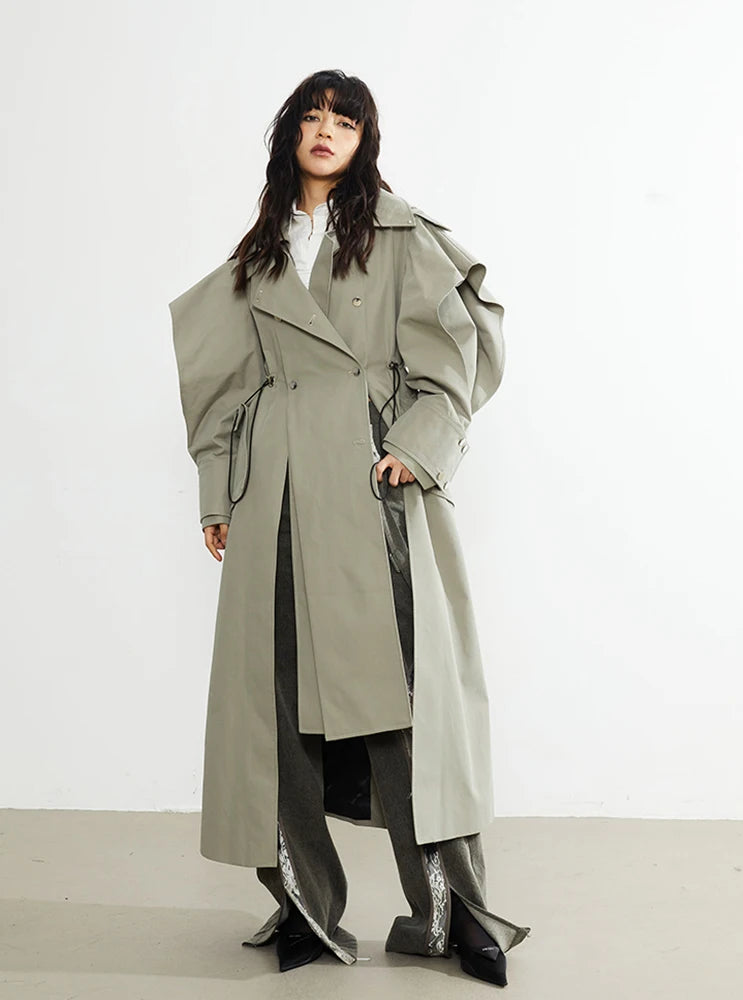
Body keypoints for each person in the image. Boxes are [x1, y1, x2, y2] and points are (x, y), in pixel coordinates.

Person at [169, 68, 532, 987]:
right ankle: (303, 906)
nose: (326, 130)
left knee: (403, 708)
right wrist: (219, 493)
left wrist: (415, 443)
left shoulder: (399, 234)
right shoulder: (260, 253)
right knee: (277, 705)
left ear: (366, 139)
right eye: (312, 115)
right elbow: (223, 385)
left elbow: (460, 354)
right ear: (289, 134)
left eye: (346, 119)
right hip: (277, 493)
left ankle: (454, 911)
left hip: (373, 490)